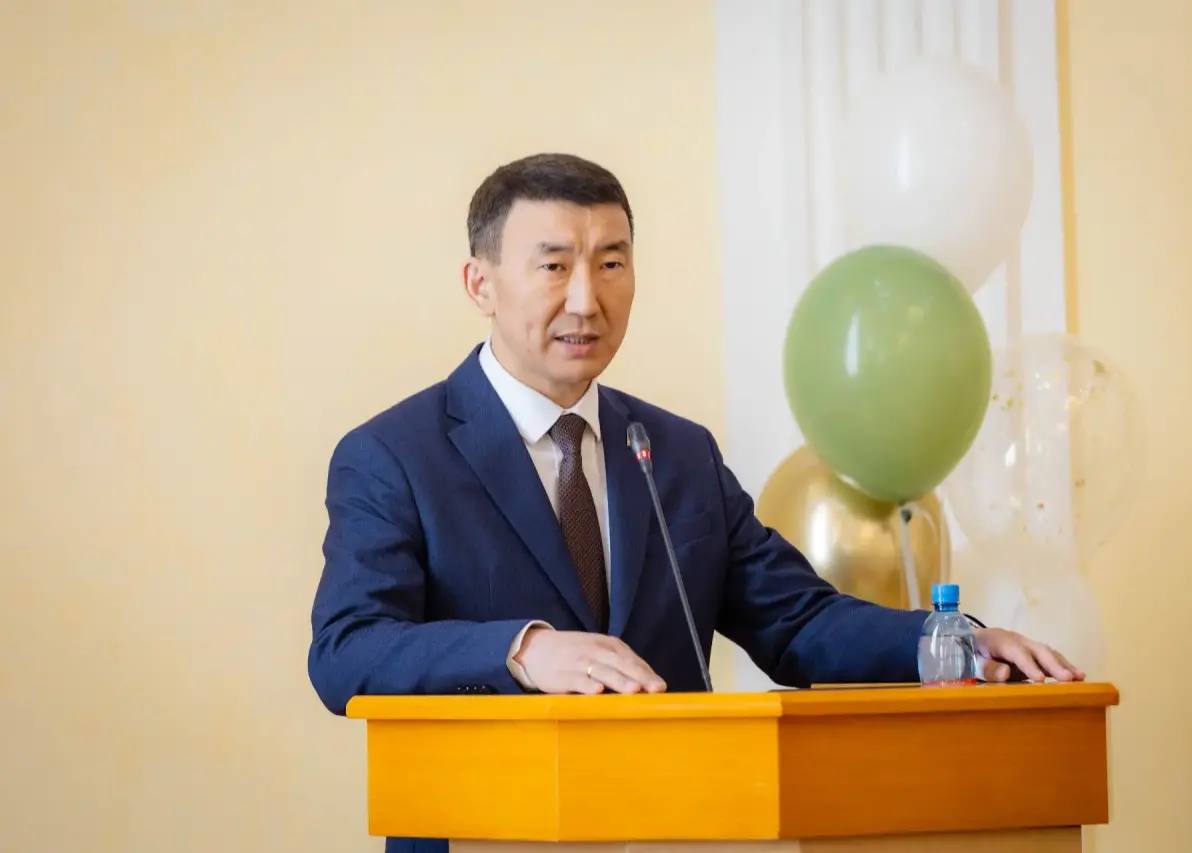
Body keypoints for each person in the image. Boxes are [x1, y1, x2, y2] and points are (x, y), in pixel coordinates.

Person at [308, 153, 1083, 851]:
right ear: (480, 283)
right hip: (481, 831)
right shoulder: (394, 456)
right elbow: (347, 650)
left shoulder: (673, 452)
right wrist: (523, 649)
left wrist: (949, 642)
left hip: (673, 828)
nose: (586, 298)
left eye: (611, 263)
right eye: (554, 266)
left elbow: (797, 621)